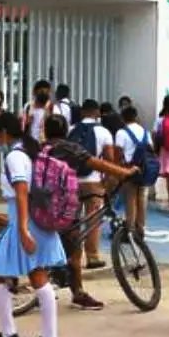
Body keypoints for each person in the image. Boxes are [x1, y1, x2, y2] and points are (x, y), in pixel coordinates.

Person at [0, 113, 69, 337]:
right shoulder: (33, 152)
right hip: (37, 219)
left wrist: (21, 229)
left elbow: (21, 191)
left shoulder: (15, 156)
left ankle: (9, 334)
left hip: (25, 222)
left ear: (5, 133)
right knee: (39, 276)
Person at [43, 115, 139, 312]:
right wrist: (124, 173)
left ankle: (62, 279)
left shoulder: (41, 148)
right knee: (75, 247)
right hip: (62, 204)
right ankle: (77, 292)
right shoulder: (68, 148)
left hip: (41, 201)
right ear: (65, 131)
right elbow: (97, 163)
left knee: (66, 241)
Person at [69, 100, 116, 280]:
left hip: (72, 180)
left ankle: (73, 256)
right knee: (93, 220)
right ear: (97, 112)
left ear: (82, 112)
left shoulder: (71, 129)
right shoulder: (103, 131)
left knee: (73, 221)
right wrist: (107, 180)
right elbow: (109, 159)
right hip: (93, 181)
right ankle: (93, 256)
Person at [115, 106, 151, 238]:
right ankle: (140, 229)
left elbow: (118, 153)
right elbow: (151, 149)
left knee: (130, 200)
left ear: (122, 118)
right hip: (145, 170)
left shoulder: (121, 132)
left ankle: (129, 231)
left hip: (128, 169)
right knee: (142, 200)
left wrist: (118, 170)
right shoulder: (145, 132)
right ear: (136, 117)